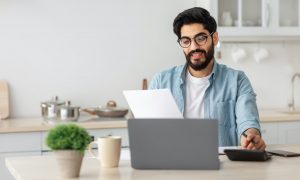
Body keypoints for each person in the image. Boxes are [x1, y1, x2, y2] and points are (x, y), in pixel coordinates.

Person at [149, 7, 266, 150]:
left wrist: (250, 138)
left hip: (221, 166)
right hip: (173, 165)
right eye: (186, 41)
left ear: (214, 38)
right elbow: (149, 132)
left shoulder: (237, 81)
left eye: (200, 38)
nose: (193, 47)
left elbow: (247, 122)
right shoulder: (161, 81)